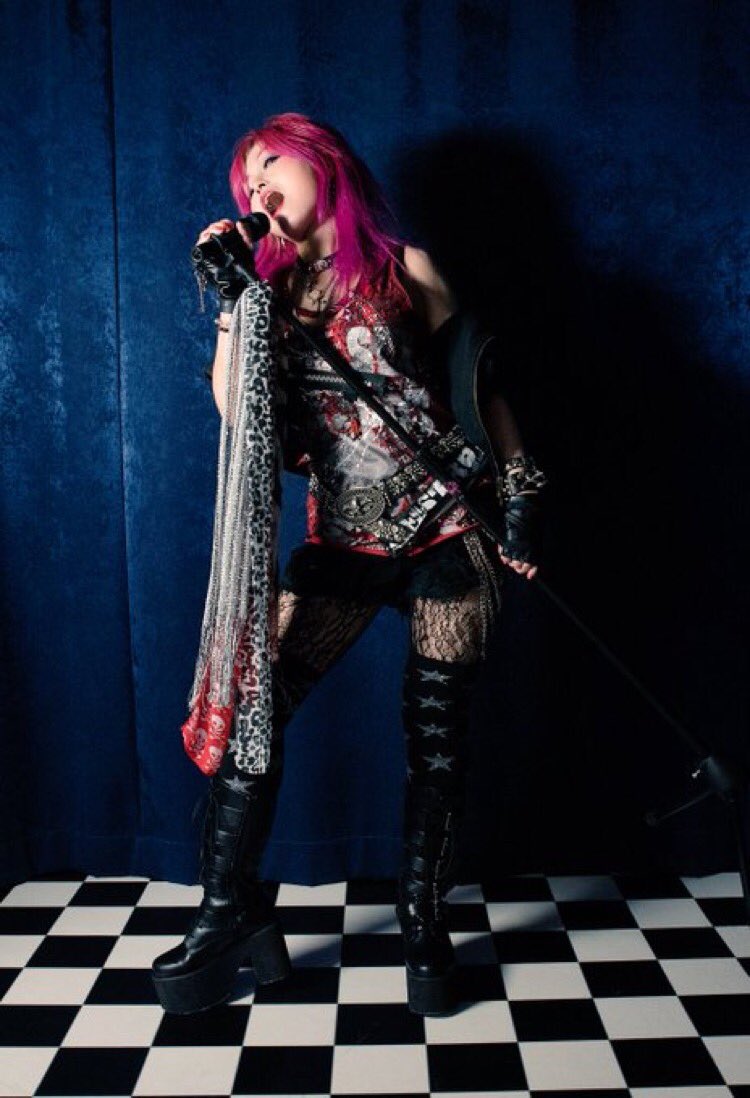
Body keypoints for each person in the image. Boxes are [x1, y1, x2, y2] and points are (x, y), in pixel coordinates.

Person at [151, 112, 547, 1017]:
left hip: (448, 533)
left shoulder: (408, 269)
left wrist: (523, 495)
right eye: (246, 181)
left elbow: (480, 388)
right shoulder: (266, 292)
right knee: (253, 715)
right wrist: (232, 303)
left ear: (322, 162)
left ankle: (422, 917)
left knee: (437, 737)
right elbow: (238, 415)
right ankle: (228, 913)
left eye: (271, 165)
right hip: (344, 544)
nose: (257, 187)